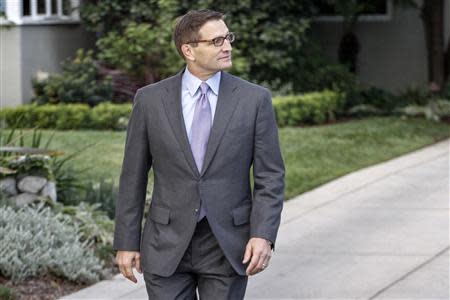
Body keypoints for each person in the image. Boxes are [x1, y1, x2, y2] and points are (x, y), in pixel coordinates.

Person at [113, 9, 285, 299]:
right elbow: (133, 176)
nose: (227, 46)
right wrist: (126, 241)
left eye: (228, 37)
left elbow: (271, 176)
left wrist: (263, 234)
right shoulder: (150, 100)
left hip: (228, 244)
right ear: (188, 50)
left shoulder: (254, 100)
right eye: (217, 41)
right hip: (165, 243)